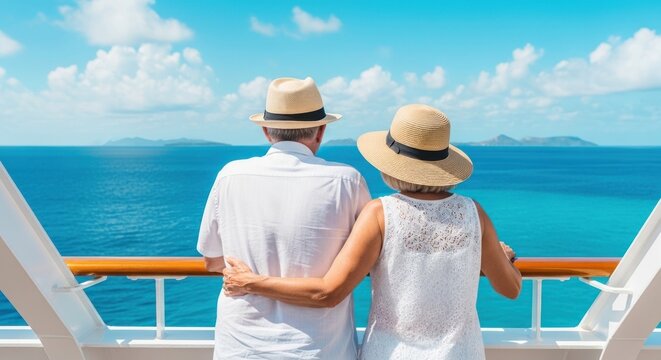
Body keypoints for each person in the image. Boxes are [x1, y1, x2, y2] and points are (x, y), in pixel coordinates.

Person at [223, 104, 522, 360]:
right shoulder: (474, 213)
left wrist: (251, 282)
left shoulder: (381, 214)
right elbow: (511, 289)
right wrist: (499, 255)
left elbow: (328, 292)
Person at [196, 77, 371, 359]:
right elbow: (366, 261)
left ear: (266, 131)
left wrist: (252, 279)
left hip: (241, 346)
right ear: (321, 131)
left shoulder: (230, 175)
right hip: (318, 348)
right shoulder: (347, 181)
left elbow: (212, 261)